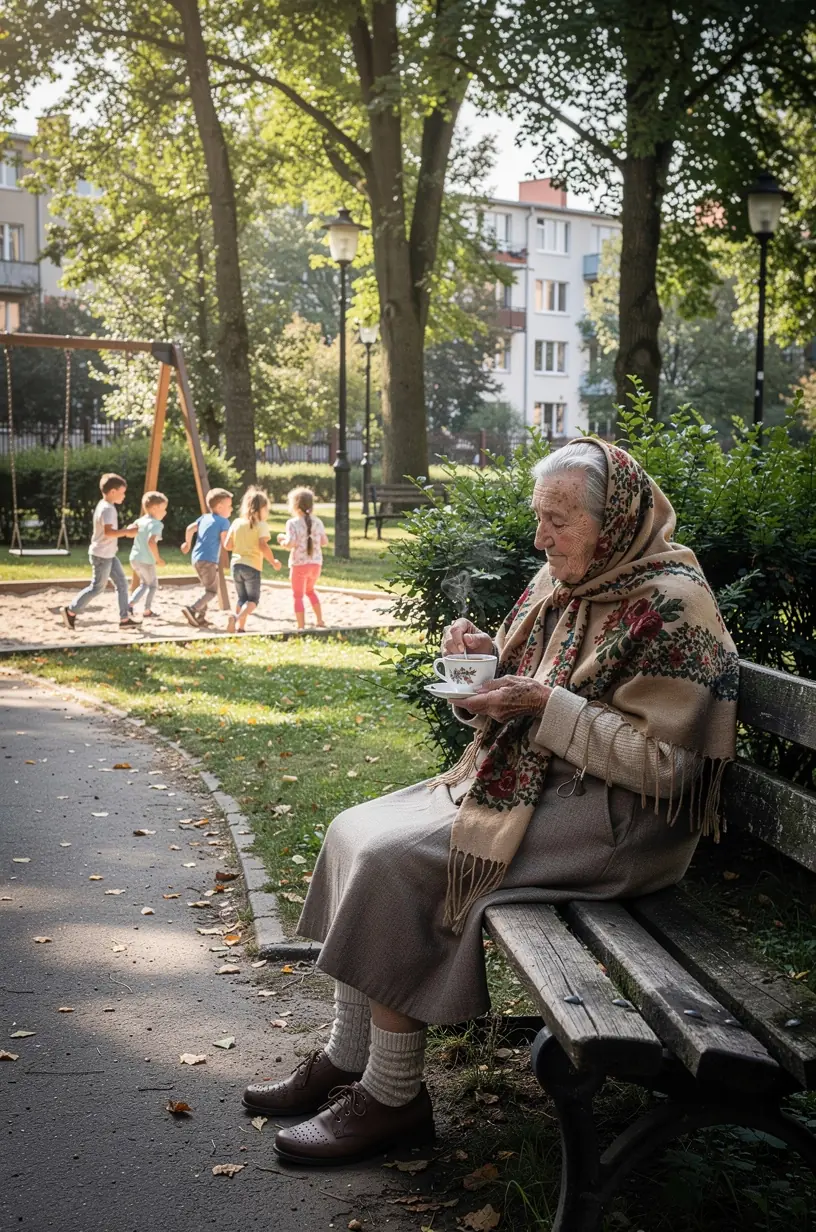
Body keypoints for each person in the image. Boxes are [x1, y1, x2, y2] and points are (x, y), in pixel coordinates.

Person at [241, 440, 740, 1166]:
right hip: (538, 785)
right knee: (355, 829)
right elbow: (521, 698)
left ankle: (394, 1096)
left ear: (616, 522)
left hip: (620, 825)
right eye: (540, 518)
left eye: (559, 521)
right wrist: (487, 664)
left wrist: (543, 704)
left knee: (392, 859)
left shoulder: (672, 605)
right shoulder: (561, 582)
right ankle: (349, 1055)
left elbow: (671, 769)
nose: (541, 538)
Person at [62, 473, 139, 631]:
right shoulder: (107, 509)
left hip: (108, 554)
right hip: (101, 556)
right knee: (97, 588)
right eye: (122, 492)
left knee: (122, 584)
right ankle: (70, 611)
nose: (124, 496)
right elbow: (109, 532)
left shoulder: (105, 505)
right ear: (112, 491)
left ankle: (124, 619)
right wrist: (127, 532)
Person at [224, 486, 282, 633]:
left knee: (241, 598)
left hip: (236, 566)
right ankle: (236, 619)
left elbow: (227, 545)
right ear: (262, 508)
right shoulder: (261, 525)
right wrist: (273, 561)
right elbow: (262, 545)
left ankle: (240, 627)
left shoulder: (237, 522)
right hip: (252, 566)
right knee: (253, 600)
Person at [180, 487, 234, 628]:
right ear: (220, 507)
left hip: (196, 558)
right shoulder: (224, 522)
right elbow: (225, 544)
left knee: (207, 589)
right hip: (209, 560)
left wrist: (187, 543)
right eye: (229, 506)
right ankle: (192, 609)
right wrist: (235, 545)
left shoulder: (204, 518)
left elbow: (190, 529)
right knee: (212, 591)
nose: (231, 509)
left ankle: (201, 618)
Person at [277, 487, 329, 629]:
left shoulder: (292, 523)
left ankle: (301, 626)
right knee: (311, 591)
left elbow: (291, 543)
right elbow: (324, 541)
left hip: (299, 565)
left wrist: (282, 540)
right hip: (316, 564)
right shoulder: (318, 522)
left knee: (298, 595)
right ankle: (319, 620)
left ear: (294, 506)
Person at [128, 491, 167, 619]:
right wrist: (158, 559)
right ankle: (147, 610)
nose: (165, 513)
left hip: (134, 558)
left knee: (144, 584)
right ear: (155, 508)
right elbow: (151, 542)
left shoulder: (139, 521)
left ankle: (130, 604)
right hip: (146, 560)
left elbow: (129, 532)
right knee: (152, 585)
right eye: (163, 509)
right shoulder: (157, 524)